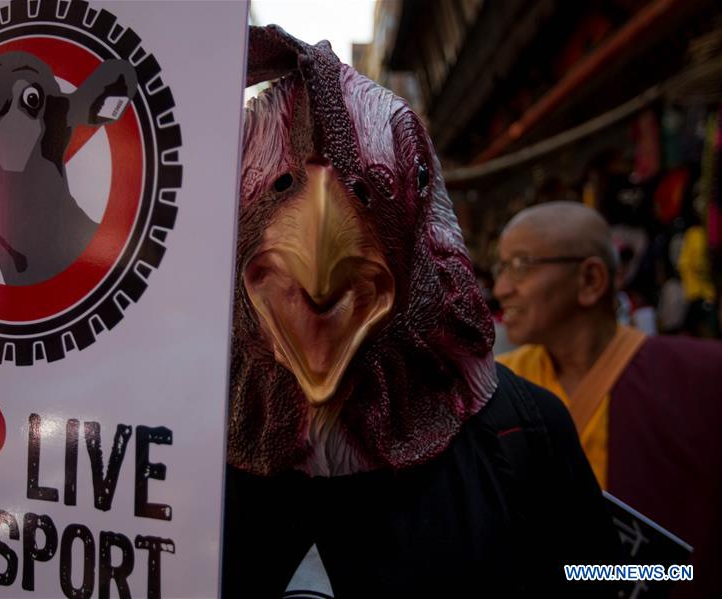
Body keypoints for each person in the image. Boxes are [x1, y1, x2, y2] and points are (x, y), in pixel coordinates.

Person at [224, 26, 620, 598]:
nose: (319, 248)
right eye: (271, 187)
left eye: (377, 190)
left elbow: (598, 575)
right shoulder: (159, 446)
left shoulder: (525, 430)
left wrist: (673, 573)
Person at [494, 201, 722, 598]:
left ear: (590, 280)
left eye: (520, 265)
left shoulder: (698, 378)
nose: (500, 289)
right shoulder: (499, 388)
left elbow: (694, 561)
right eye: (501, 268)